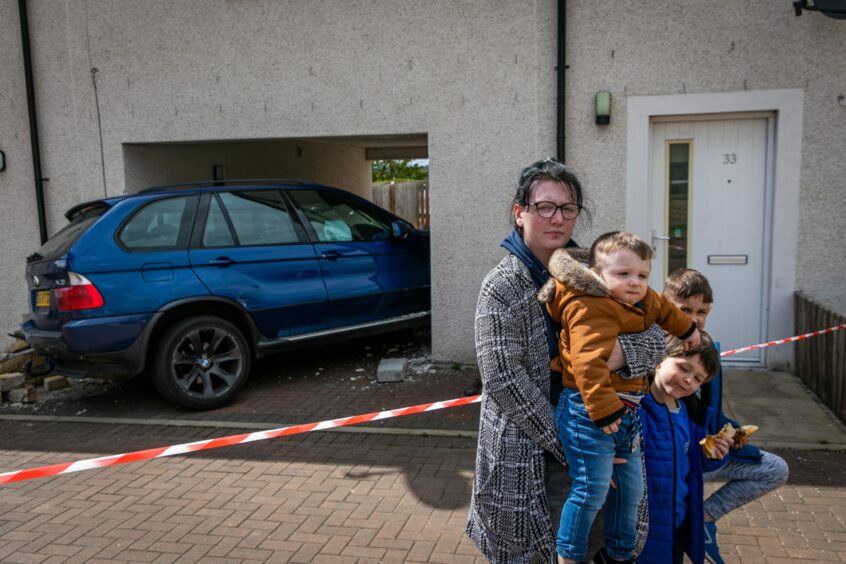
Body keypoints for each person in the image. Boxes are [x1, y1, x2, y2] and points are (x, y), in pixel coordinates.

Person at [466, 159, 665, 563]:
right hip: (531, 453)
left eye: (568, 208)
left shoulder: (599, 271)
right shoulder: (501, 286)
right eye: (544, 207)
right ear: (519, 211)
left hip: (604, 431)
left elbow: (657, 335)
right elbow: (504, 380)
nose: (557, 218)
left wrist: (620, 355)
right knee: (536, 552)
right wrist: (579, 446)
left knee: (594, 546)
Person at [540, 231, 700, 564]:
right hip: (588, 410)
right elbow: (586, 364)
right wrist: (603, 410)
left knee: (631, 490)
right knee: (592, 488)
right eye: (623, 274)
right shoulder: (590, 304)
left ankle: (618, 554)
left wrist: (688, 330)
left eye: (642, 275)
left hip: (626, 412)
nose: (634, 282)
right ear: (598, 275)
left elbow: (667, 310)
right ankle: (568, 555)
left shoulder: (643, 299)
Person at [662, 268, 789, 564]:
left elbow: (710, 410)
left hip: (708, 452)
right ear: (664, 306)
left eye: (701, 312)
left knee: (775, 469)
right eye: (684, 310)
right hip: (673, 459)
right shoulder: (656, 353)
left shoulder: (707, 350)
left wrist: (731, 432)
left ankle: (703, 520)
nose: (694, 319)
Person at [638, 333, 730, 564]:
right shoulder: (636, 406)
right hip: (640, 526)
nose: (689, 380)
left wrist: (712, 454)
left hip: (676, 521)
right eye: (683, 368)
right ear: (659, 359)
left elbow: (691, 461)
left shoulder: (688, 413)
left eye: (698, 378)